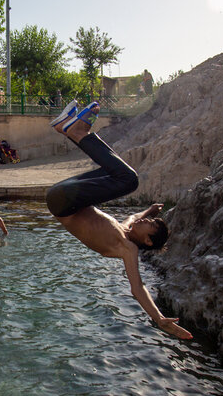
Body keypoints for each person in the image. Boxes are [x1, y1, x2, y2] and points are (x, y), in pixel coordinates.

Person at [47, 100, 192, 340]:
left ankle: (76, 132)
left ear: (146, 240)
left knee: (129, 180)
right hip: (64, 195)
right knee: (117, 172)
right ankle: (66, 128)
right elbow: (135, 216)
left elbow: (138, 288)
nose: (145, 221)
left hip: (64, 203)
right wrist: (149, 212)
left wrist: (158, 318)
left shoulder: (127, 248)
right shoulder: (124, 231)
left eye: (150, 225)